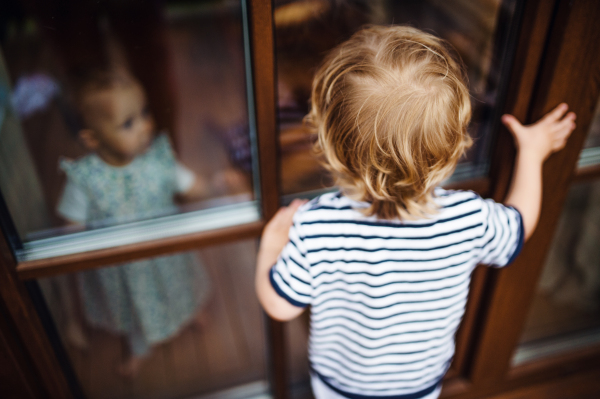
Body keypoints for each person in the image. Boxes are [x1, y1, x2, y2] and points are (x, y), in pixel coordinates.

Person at [255, 26, 576, 399]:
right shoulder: (468, 218)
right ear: (455, 147)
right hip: (421, 386)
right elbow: (520, 223)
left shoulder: (315, 225)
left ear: (329, 144)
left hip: (339, 387)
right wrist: (533, 155)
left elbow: (280, 306)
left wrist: (269, 248)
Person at [57, 69, 211, 377]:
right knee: (138, 306)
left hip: (167, 252)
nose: (144, 126)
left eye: (144, 113)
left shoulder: (158, 158)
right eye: (128, 123)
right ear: (92, 138)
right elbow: (70, 225)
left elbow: (193, 185)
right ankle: (140, 347)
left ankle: (189, 312)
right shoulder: (86, 179)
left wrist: (213, 184)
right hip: (126, 267)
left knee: (179, 284)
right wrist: (74, 241)